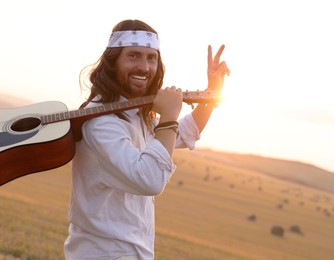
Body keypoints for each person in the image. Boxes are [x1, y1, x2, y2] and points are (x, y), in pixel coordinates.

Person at [64, 19, 229, 260]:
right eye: (133, 56)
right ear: (113, 61)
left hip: (133, 252)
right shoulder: (101, 121)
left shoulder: (134, 114)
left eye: (152, 58)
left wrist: (212, 90)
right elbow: (150, 180)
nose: (144, 67)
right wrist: (169, 115)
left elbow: (181, 133)